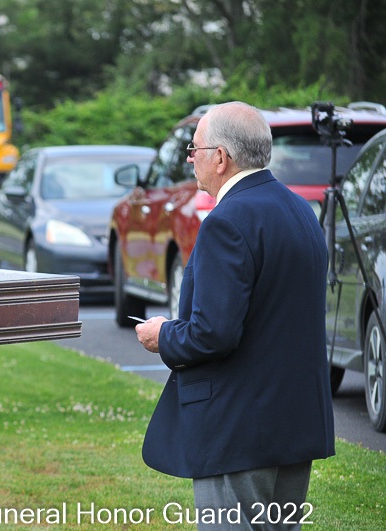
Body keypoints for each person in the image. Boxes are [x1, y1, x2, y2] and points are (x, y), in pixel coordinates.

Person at [134, 101, 335, 529]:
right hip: (295, 424)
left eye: (194, 149)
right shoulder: (301, 210)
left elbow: (212, 334)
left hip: (239, 428)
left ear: (221, 157)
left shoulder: (228, 220)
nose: (190, 158)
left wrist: (162, 335)